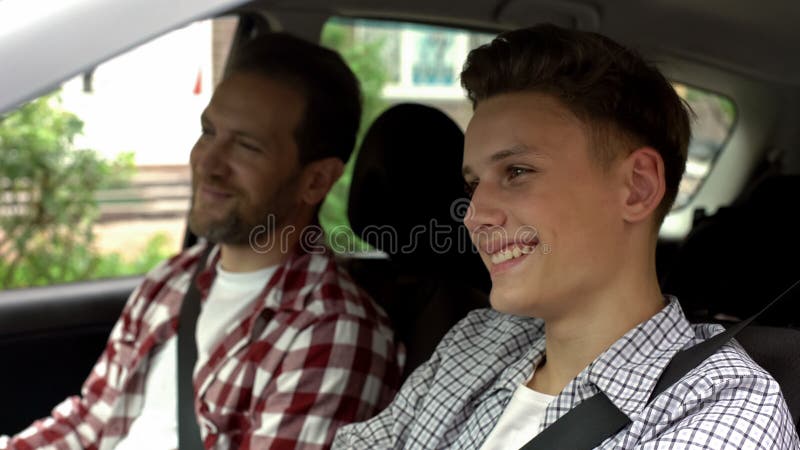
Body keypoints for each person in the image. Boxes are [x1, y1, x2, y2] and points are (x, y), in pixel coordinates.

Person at [334, 24, 799, 449]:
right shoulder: (475, 340)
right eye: (474, 184)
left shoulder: (723, 414)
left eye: (517, 171)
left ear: (637, 187)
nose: (474, 216)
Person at [1, 33, 402, 450]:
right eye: (208, 131)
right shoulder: (173, 279)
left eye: (246, 147)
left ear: (316, 180)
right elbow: (91, 422)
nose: (207, 162)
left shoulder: (332, 332)